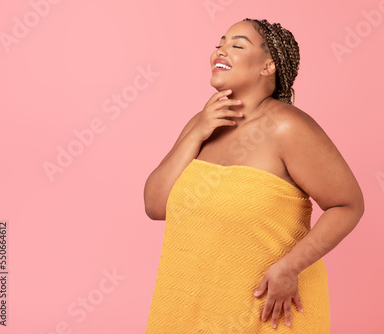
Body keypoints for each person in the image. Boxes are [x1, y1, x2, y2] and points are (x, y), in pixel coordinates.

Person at [144, 18, 364, 333]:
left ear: (268, 66)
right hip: (191, 311)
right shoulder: (203, 123)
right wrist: (196, 134)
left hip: (267, 313)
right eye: (220, 43)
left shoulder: (287, 127)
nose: (220, 51)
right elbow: (155, 206)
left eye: (237, 45)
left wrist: (290, 268)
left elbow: (348, 205)